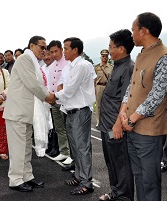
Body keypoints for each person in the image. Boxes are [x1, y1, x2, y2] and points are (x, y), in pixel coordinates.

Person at [120, 12, 167, 201]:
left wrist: (131, 119)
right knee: (139, 178)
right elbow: (132, 86)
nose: (132, 34)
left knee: (150, 182)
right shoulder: (142, 54)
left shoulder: (166, 58)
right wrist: (123, 109)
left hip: (149, 131)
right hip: (132, 126)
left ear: (143, 31)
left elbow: (156, 97)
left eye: (133, 29)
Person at [3, 36, 55, 192]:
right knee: (18, 148)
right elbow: (34, 84)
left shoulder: (33, 61)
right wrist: (48, 96)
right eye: (42, 47)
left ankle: (27, 176)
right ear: (32, 45)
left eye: (45, 48)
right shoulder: (25, 58)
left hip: (26, 112)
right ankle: (16, 179)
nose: (44, 51)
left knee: (26, 148)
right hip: (17, 113)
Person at [54, 37, 95, 195]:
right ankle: (79, 176)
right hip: (69, 111)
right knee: (75, 148)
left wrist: (54, 96)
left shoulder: (83, 65)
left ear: (75, 50)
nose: (64, 52)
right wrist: (59, 93)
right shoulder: (69, 67)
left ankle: (86, 182)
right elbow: (62, 84)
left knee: (82, 147)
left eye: (66, 48)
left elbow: (69, 89)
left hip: (80, 111)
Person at [98, 29, 135, 201]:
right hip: (106, 125)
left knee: (121, 163)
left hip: (115, 126)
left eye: (111, 47)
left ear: (121, 49)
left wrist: (118, 125)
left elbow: (127, 100)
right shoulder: (117, 66)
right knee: (111, 161)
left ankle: (124, 197)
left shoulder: (128, 68)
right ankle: (115, 192)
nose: (109, 50)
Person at [48, 40, 72, 165]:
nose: (54, 54)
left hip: (65, 102)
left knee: (68, 128)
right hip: (54, 101)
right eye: (51, 52)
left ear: (61, 50)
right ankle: (64, 151)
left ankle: (70, 154)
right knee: (59, 128)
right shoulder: (52, 66)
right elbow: (50, 84)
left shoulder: (68, 63)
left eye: (56, 51)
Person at [41, 48, 59, 156]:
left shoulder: (56, 68)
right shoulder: (42, 68)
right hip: (44, 99)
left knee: (55, 125)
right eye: (44, 55)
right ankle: (48, 145)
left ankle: (56, 147)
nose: (47, 57)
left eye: (49, 54)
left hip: (54, 99)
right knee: (46, 124)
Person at [94, 49, 113, 127]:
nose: (104, 57)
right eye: (103, 56)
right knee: (98, 105)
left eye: (106, 56)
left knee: (107, 105)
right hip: (99, 87)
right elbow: (94, 79)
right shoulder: (97, 67)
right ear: (100, 57)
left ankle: (106, 121)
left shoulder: (111, 67)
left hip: (107, 87)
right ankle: (99, 121)